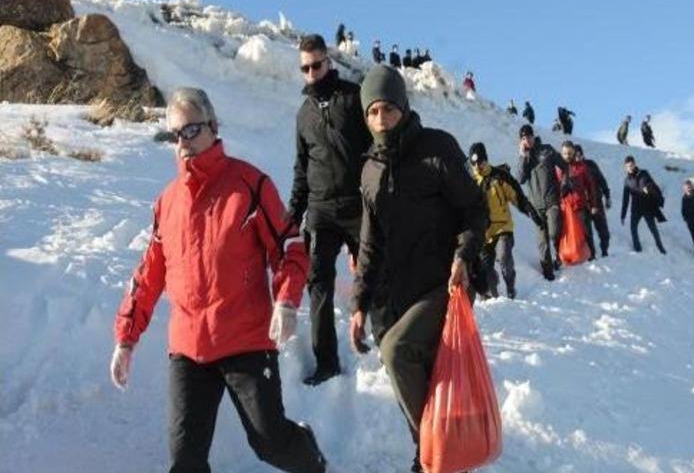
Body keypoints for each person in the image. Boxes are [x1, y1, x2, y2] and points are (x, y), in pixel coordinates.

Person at [109, 87, 327, 473]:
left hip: (245, 338)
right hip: (188, 349)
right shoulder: (167, 202)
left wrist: (287, 299)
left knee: (270, 443)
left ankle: (310, 457)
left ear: (213, 126)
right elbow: (148, 274)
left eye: (191, 130)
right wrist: (126, 338)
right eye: (175, 135)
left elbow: (291, 248)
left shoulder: (249, 184)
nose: (183, 143)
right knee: (185, 461)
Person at [348, 65, 489, 473]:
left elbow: (475, 209)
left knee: (397, 352)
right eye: (372, 112)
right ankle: (430, 451)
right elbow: (370, 244)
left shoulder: (438, 148)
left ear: (404, 108)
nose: (380, 120)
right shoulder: (370, 170)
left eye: (388, 109)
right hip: (396, 294)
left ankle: (437, 454)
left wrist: (464, 256)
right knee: (415, 378)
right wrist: (359, 303)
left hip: (443, 285)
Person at [290, 34, 372, 386]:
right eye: (305, 68)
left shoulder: (353, 98)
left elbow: (375, 147)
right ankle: (327, 363)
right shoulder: (303, 114)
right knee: (318, 281)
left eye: (316, 65)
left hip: (357, 206)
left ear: (329, 62)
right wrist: (294, 213)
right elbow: (301, 167)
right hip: (321, 210)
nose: (311, 73)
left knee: (374, 277)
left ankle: (386, 344)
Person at [469, 142, 541, 299]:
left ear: (486, 159)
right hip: (484, 233)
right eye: (473, 163)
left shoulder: (499, 176)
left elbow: (518, 197)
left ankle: (510, 288)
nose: (477, 167)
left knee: (504, 257)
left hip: (503, 227)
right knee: (485, 270)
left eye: (480, 162)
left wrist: (532, 213)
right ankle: (492, 295)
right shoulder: (470, 182)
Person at [517, 124, 568, 279]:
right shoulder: (525, 157)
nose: (527, 140)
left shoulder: (547, 150)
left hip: (552, 200)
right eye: (523, 138)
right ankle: (548, 275)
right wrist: (523, 156)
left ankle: (559, 256)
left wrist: (565, 184)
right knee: (542, 242)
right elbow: (520, 178)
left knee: (554, 232)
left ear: (533, 136)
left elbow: (564, 166)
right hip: (535, 206)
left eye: (529, 137)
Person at [559, 141, 598, 259]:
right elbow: (555, 188)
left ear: (573, 152)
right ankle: (571, 256)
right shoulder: (558, 169)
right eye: (565, 153)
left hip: (580, 206)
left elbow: (591, 187)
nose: (567, 156)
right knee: (569, 234)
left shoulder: (581, 167)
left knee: (586, 232)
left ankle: (592, 257)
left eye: (569, 153)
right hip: (566, 208)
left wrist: (593, 205)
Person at [620, 155, 667, 254]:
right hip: (636, 209)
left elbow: (652, 184)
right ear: (625, 167)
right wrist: (623, 215)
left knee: (653, 228)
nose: (630, 167)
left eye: (632, 165)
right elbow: (625, 199)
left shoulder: (643, 173)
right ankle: (638, 249)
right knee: (633, 229)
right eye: (628, 166)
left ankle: (661, 248)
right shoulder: (627, 181)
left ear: (635, 164)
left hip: (647, 206)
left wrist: (648, 188)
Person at [578, 144, 612, 258]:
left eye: (579, 154)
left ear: (582, 154)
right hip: (583, 206)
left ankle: (604, 251)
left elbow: (602, 180)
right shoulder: (572, 168)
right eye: (575, 154)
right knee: (587, 233)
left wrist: (607, 196)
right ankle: (591, 255)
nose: (577, 157)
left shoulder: (591, 164)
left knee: (603, 230)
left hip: (596, 202)